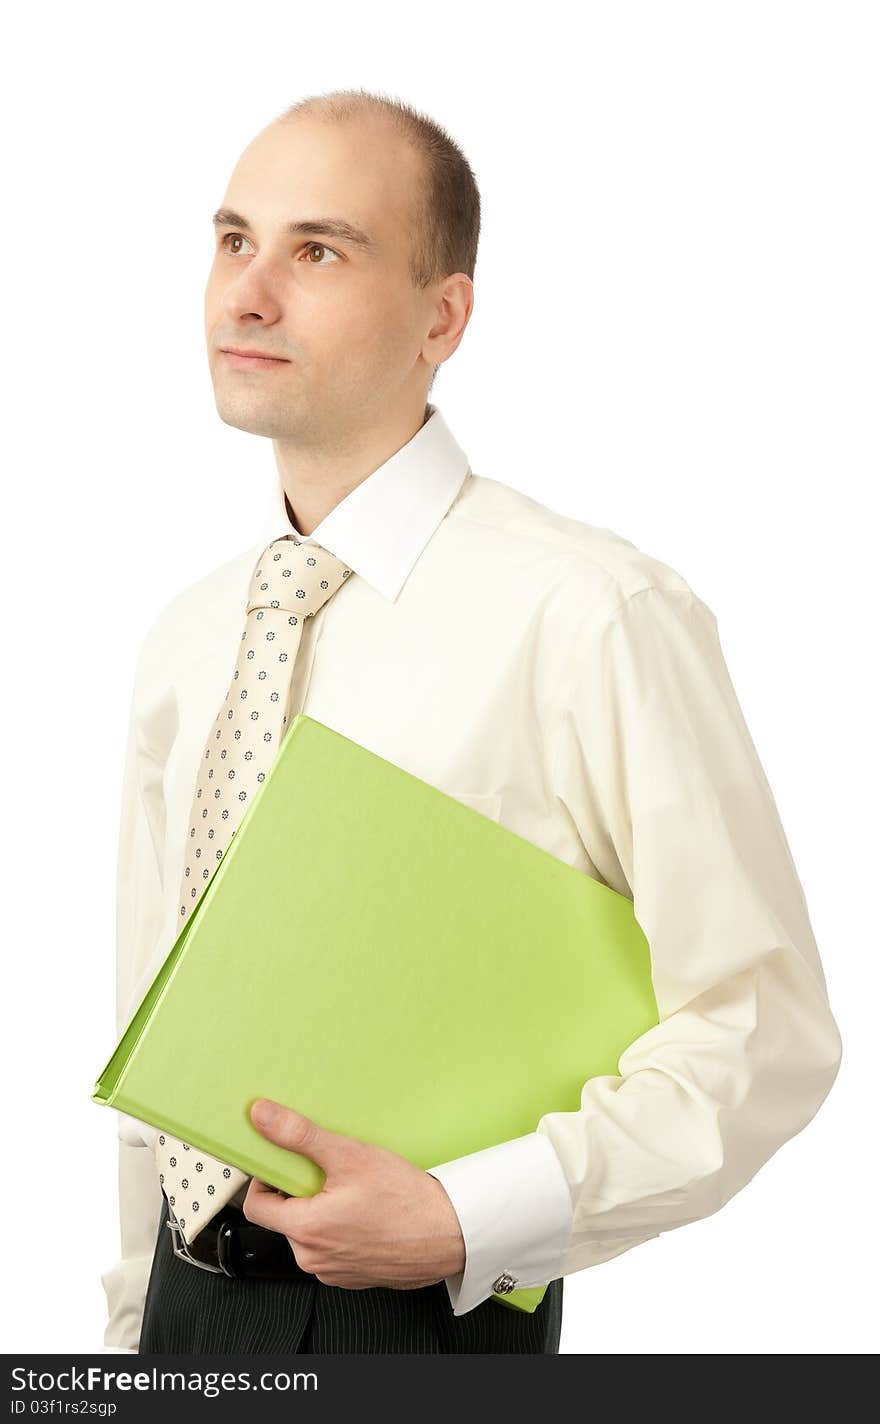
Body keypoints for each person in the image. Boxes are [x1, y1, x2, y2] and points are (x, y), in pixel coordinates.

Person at [99, 87, 842, 1356]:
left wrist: (464, 1213)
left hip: (417, 1323)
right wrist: (125, 1337)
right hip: (184, 1315)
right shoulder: (189, 637)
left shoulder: (590, 613)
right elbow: (154, 1041)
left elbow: (763, 1028)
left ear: (442, 315)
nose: (248, 294)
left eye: (316, 250)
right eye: (233, 240)